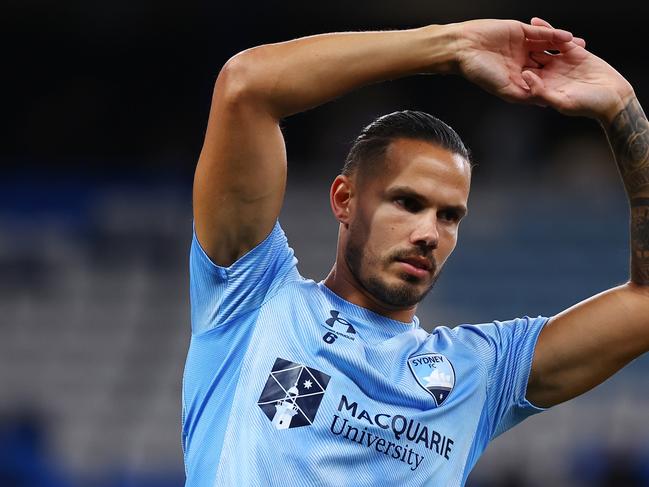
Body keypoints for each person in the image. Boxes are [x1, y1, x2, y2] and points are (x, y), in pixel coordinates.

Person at [182, 16, 649, 486]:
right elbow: (246, 87)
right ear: (345, 200)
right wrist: (450, 46)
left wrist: (622, 108)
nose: (429, 232)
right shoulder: (253, 299)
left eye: (449, 216)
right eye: (407, 203)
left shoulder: (480, 373)